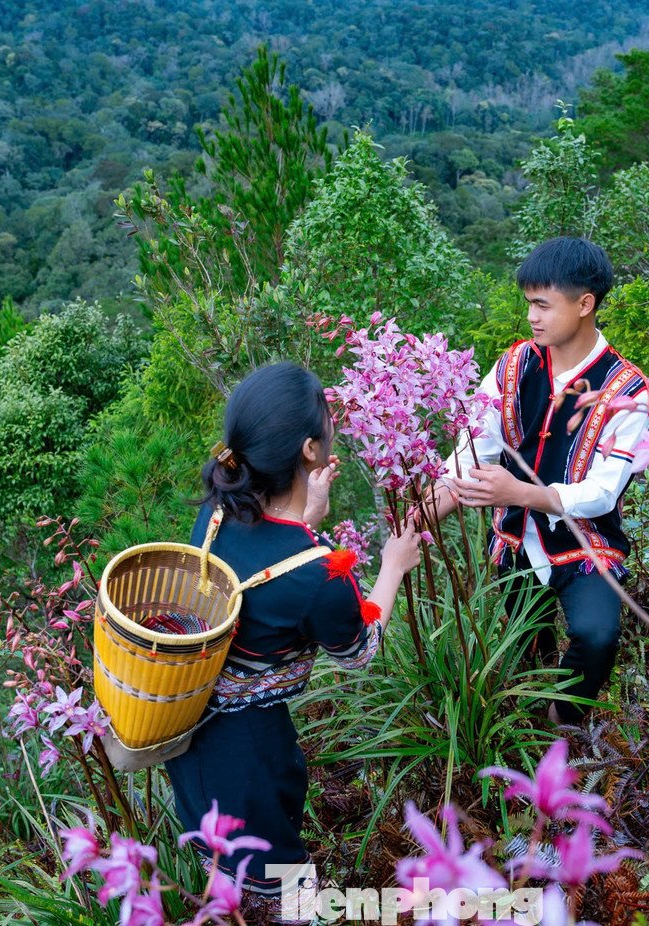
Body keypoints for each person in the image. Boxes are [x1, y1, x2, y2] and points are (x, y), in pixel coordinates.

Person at [164, 362, 421, 903]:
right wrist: (394, 565)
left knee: (223, 859)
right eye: (327, 415)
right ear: (309, 449)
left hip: (187, 724)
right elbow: (360, 650)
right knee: (280, 882)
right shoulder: (320, 573)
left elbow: (265, 575)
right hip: (249, 750)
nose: (334, 421)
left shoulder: (218, 509)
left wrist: (308, 518)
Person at [421, 237, 649, 725]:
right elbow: (473, 450)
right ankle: (530, 728)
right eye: (528, 303)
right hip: (516, 539)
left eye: (543, 305)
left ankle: (563, 721)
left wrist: (520, 492)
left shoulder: (628, 391)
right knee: (528, 645)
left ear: (584, 304)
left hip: (586, 543)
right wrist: (418, 519)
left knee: (596, 636)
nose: (531, 316)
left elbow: (604, 492)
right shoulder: (513, 366)